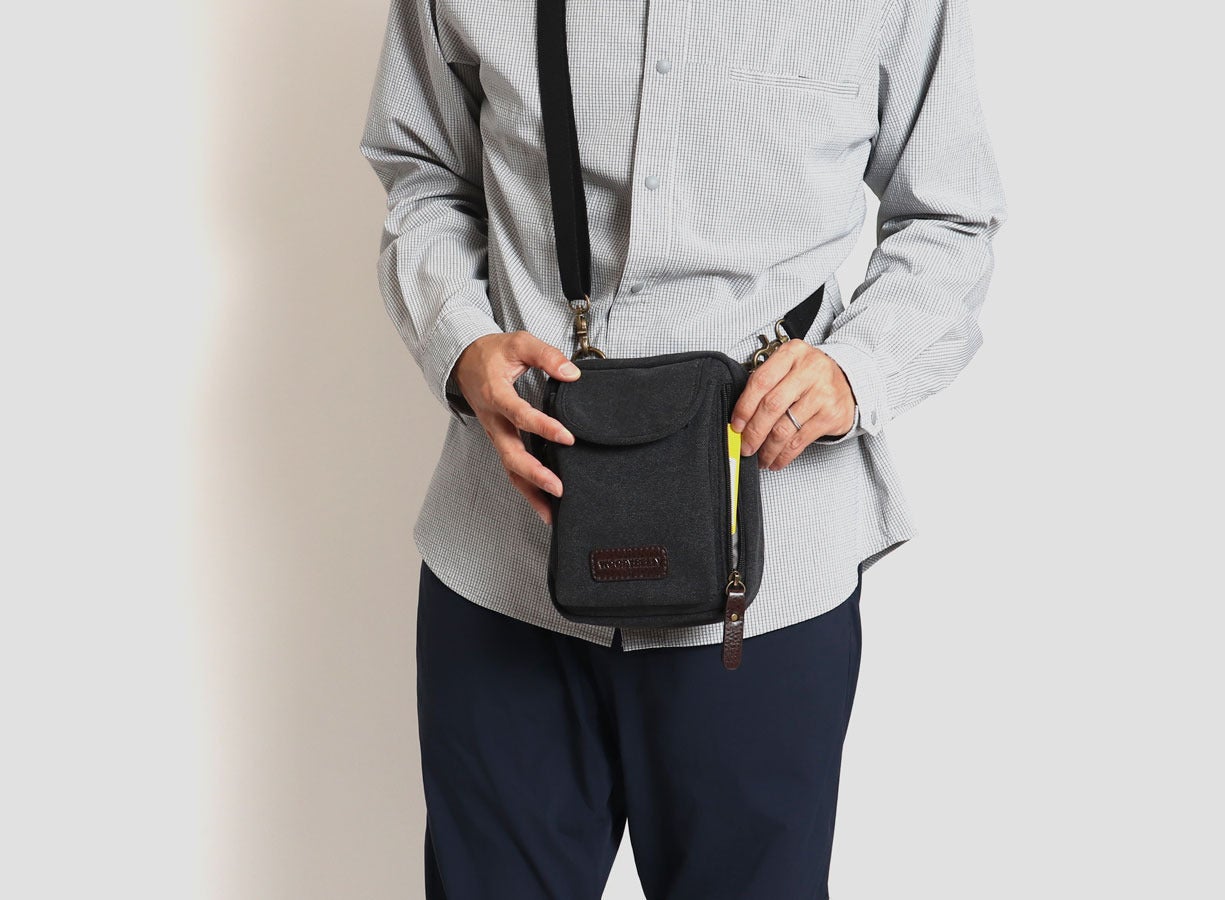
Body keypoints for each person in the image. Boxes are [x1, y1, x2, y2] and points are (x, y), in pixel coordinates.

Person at [359, 0, 1005, 896]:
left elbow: (950, 219)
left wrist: (857, 369)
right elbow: (424, 172)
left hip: (770, 574)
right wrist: (458, 340)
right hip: (508, 561)